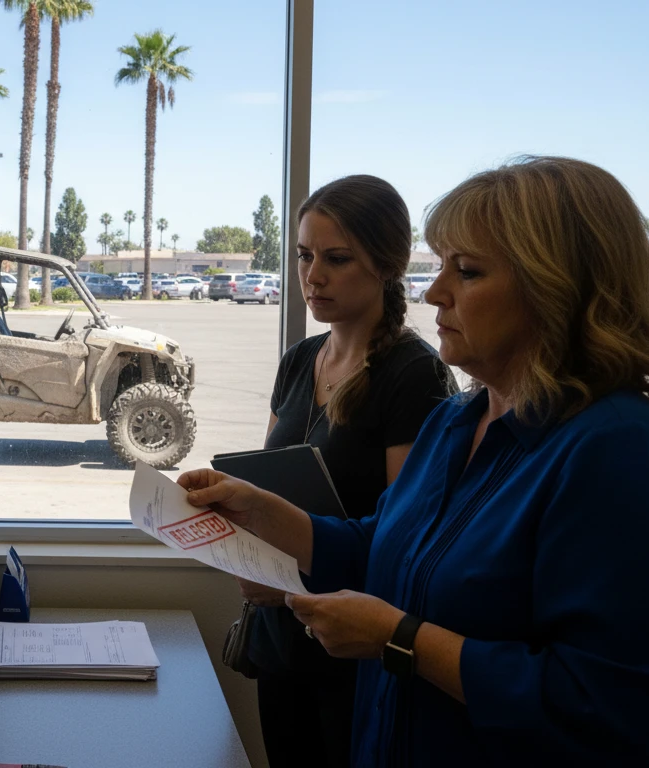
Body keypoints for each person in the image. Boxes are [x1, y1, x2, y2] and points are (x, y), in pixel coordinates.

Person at [182, 156, 649, 767]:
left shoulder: (619, 451)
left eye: (467, 270)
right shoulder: (457, 421)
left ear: (557, 289)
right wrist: (269, 514)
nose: (433, 291)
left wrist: (400, 641)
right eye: (440, 265)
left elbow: (610, 709)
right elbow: (390, 548)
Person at [242, 174, 454, 768]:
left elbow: (403, 537)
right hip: (282, 633)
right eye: (305, 256)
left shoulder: (413, 376)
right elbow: (266, 484)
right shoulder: (300, 360)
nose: (313, 276)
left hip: (354, 646)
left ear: (387, 265)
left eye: (337, 259)